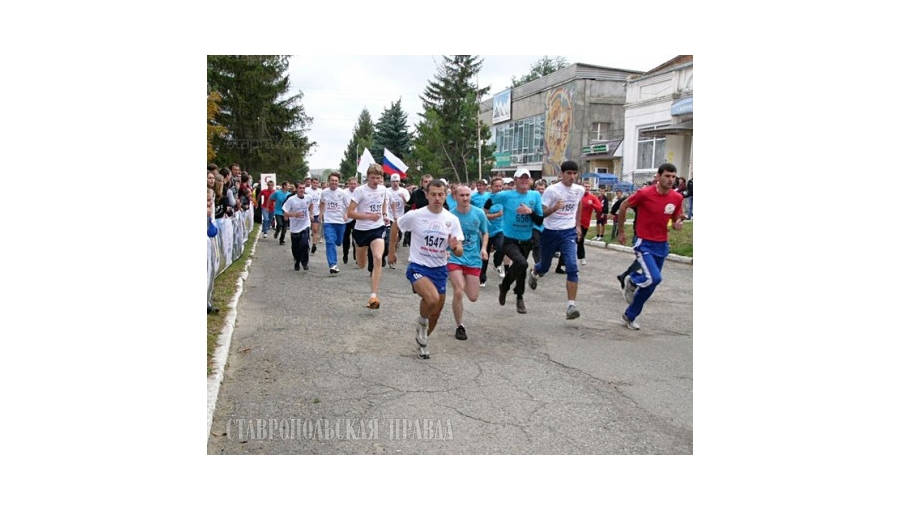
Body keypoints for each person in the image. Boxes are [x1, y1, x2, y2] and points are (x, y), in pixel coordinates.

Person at [388, 179, 463, 359]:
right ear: (427, 195)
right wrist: (391, 252)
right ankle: (421, 322)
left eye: (440, 194)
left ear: (446, 196)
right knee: (432, 298)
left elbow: (459, 251)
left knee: (436, 312)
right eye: (433, 194)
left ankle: (423, 339)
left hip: (439, 269)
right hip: (418, 266)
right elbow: (396, 225)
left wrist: (454, 247)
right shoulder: (416, 215)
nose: (437, 198)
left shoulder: (451, 219)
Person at [616, 163, 685, 330]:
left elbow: (677, 217)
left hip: (661, 244)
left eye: (673, 177)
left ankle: (629, 316)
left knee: (651, 285)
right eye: (667, 176)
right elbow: (624, 205)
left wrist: (678, 223)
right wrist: (621, 231)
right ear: (658, 176)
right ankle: (632, 279)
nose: (670, 180)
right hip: (644, 242)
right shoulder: (644, 193)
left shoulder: (676, 198)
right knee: (654, 278)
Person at [527, 160, 585, 320]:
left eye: (574, 173)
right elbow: (542, 213)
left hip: (568, 232)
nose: (572, 177)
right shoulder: (552, 191)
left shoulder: (579, 190)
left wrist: (578, 225)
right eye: (569, 173)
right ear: (562, 174)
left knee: (572, 267)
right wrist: (554, 208)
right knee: (544, 267)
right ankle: (534, 271)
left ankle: (571, 306)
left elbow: (578, 205)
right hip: (550, 232)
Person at [483, 168, 544, 314]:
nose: (524, 181)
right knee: (522, 263)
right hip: (509, 239)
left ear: (530, 181)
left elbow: (540, 219)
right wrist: (486, 213)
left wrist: (530, 212)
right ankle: (507, 288)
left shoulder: (535, 195)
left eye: (526, 178)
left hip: (526, 239)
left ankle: (518, 297)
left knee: (521, 268)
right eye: (521, 178)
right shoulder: (506, 195)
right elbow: (489, 202)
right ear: (515, 181)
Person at [446, 184, 488, 340]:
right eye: (461, 195)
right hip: (454, 257)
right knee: (458, 290)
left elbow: (485, 233)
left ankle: (463, 279)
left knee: (473, 296)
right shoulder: (450, 216)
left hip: (473, 258)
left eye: (467, 195)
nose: (465, 198)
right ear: (455, 197)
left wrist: (483, 248)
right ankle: (460, 326)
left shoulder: (479, 213)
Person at [347, 164, 390, 309]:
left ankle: (373, 296)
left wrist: (384, 215)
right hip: (361, 230)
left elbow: (384, 203)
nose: (375, 181)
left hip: (377, 228)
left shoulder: (383, 190)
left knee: (378, 257)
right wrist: (367, 217)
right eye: (373, 178)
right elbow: (350, 213)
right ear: (367, 177)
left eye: (378, 178)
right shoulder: (360, 191)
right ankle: (358, 249)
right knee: (361, 265)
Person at [319, 172, 351, 275]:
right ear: (329, 181)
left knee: (338, 242)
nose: (334, 182)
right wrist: (321, 213)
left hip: (340, 222)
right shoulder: (324, 193)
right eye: (332, 180)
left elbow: (348, 206)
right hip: (329, 221)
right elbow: (322, 203)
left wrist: (346, 214)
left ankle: (338, 243)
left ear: (338, 182)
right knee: (330, 241)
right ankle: (333, 265)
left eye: (336, 181)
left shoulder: (343, 193)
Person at [282, 181, 314, 271]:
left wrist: (311, 214)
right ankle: (297, 260)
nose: (302, 190)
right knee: (295, 247)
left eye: (303, 188)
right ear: (296, 189)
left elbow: (311, 204)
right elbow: (285, 213)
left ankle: (305, 262)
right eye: (300, 188)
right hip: (295, 227)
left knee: (305, 244)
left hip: (305, 224)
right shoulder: (291, 200)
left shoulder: (308, 197)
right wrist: (294, 214)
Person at [480, 176, 506, 287]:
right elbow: (483, 215)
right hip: (487, 231)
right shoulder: (488, 199)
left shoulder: (505, 198)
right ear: (491, 187)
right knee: (484, 256)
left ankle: (497, 263)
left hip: (500, 229)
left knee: (502, 247)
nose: (499, 188)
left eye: (500, 186)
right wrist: (496, 215)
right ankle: (482, 277)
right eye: (496, 186)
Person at [386, 173, 410, 268]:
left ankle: (393, 251)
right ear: (390, 182)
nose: (395, 183)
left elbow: (408, 204)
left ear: (399, 182)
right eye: (393, 181)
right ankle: (391, 257)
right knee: (392, 237)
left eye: (397, 181)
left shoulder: (404, 191)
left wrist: (403, 197)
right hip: (390, 217)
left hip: (401, 217)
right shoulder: (387, 191)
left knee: (398, 238)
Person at [342, 177, 359, 264]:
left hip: (356, 217)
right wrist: (345, 214)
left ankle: (356, 254)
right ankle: (345, 253)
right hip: (347, 217)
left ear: (357, 184)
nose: (353, 185)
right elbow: (343, 206)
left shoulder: (360, 192)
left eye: (354, 184)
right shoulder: (344, 193)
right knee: (346, 237)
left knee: (356, 237)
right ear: (348, 184)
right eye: (351, 184)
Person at [271, 181, 291, 245]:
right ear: (284, 186)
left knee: (285, 227)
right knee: (280, 224)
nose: (289, 187)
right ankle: (277, 231)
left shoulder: (289, 194)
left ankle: (281, 240)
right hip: (278, 211)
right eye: (288, 185)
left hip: (286, 212)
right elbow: (271, 198)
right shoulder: (277, 193)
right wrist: (267, 206)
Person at [307, 177, 322, 253]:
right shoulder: (307, 190)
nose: (315, 184)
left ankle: (314, 244)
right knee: (306, 230)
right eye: (314, 183)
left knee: (315, 229)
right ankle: (306, 244)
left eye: (317, 183)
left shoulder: (320, 191)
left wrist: (321, 213)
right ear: (311, 183)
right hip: (307, 213)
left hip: (316, 213)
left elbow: (322, 203)